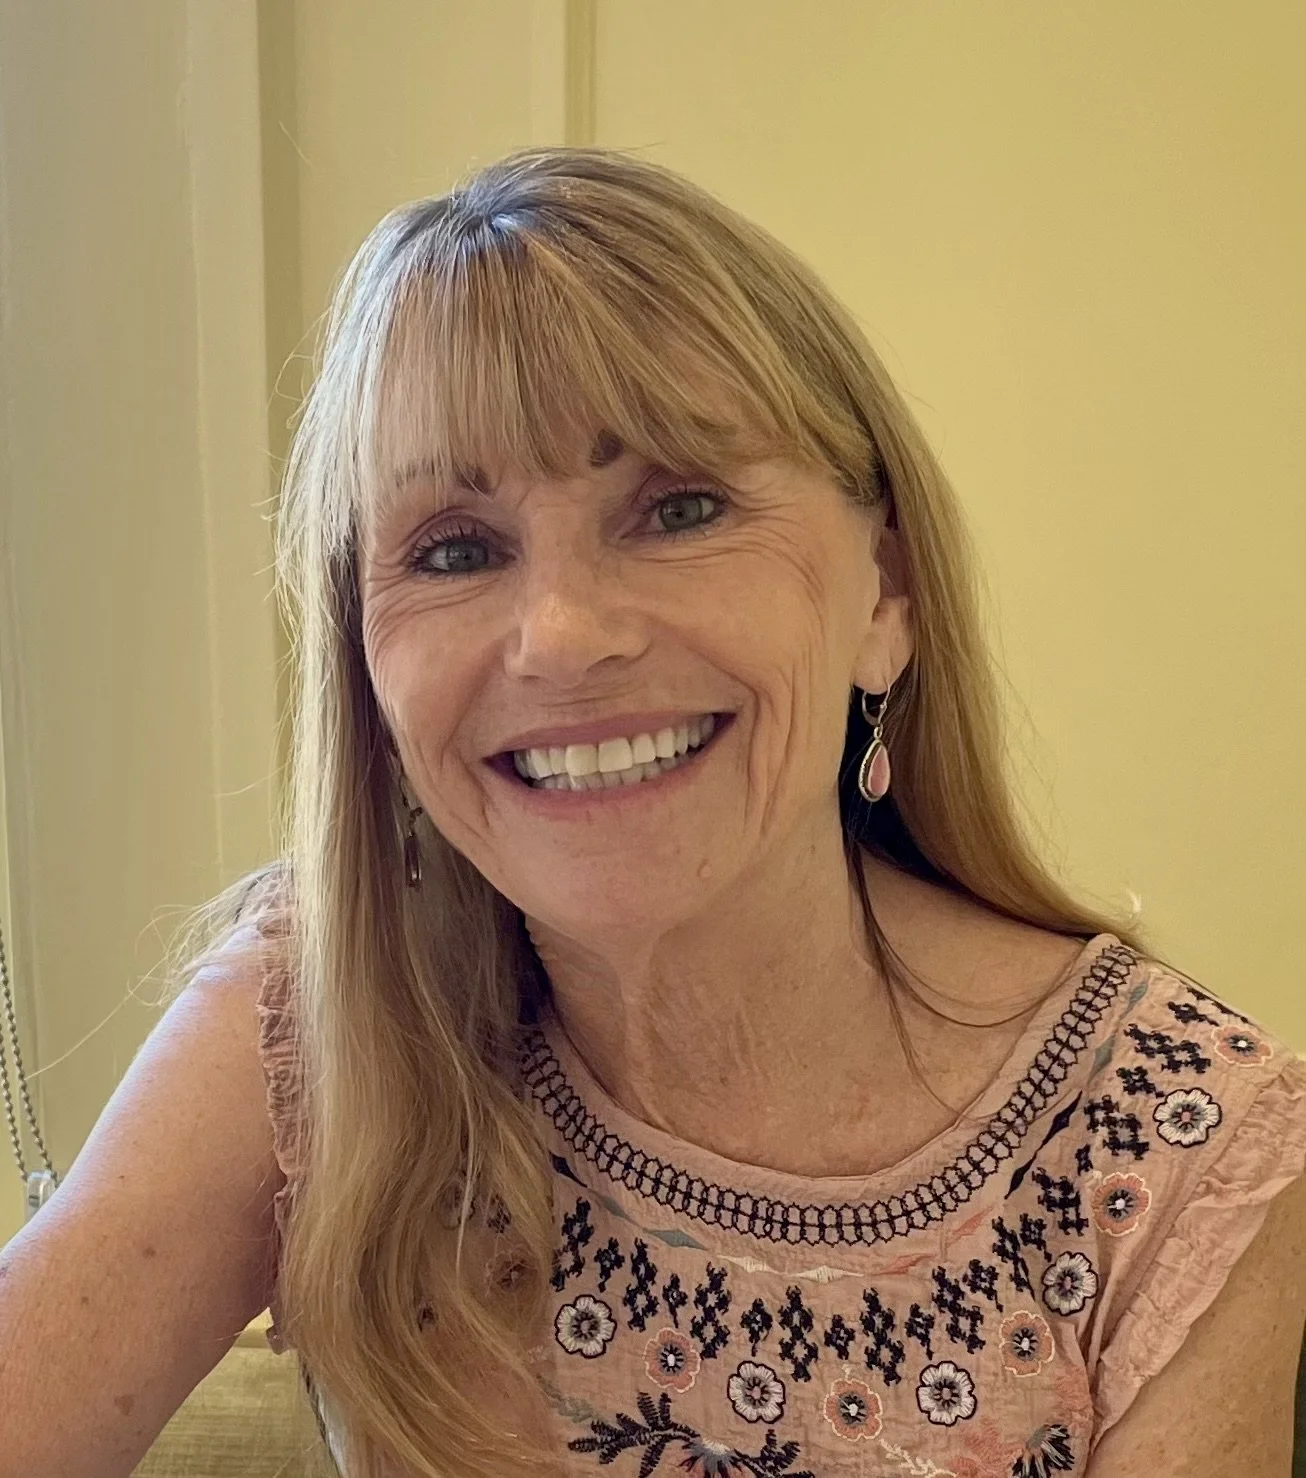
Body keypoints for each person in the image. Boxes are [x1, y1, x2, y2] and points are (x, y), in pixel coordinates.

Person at [1, 147, 1303, 1478]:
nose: (561, 636)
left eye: (677, 508)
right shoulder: (315, 1019)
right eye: (454, 548)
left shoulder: (1179, 1137)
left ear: (884, 597)